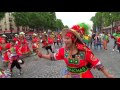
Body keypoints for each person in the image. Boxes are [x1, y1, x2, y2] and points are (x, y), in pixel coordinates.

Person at [36, 28, 114, 78]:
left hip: (84, 75)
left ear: (74, 39)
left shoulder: (84, 51)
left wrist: (108, 75)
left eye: (67, 38)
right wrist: (42, 55)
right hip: (69, 75)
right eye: (64, 38)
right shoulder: (63, 51)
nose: (65, 40)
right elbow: (53, 57)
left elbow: (97, 63)